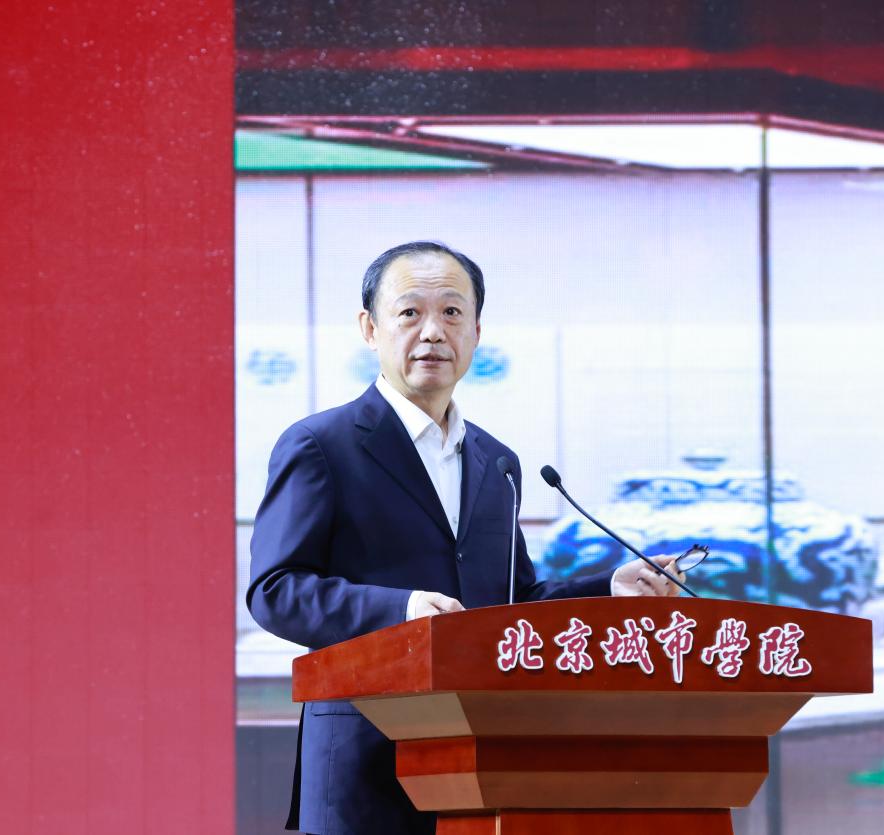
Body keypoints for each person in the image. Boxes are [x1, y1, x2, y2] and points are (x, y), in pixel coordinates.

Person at [247, 241, 683, 835]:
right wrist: (402, 610)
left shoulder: (496, 462)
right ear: (370, 329)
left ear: (476, 332)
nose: (433, 332)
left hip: (483, 764)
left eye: (452, 313)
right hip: (364, 765)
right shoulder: (322, 445)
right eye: (410, 313)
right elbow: (275, 590)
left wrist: (609, 589)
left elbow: (513, 602)